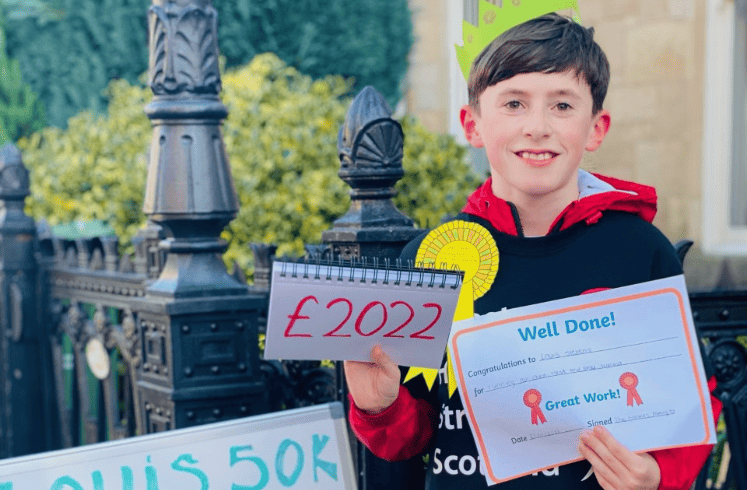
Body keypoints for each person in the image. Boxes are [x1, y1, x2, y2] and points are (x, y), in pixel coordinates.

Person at [343, 12, 721, 490]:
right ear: (472, 124)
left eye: (562, 105)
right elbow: (406, 439)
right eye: (514, 103)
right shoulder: (431, 258)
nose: (538, 127)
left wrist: (657, 477)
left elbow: (689, 413)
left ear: (596, 128)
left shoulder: (640, 251)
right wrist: (379, 405)